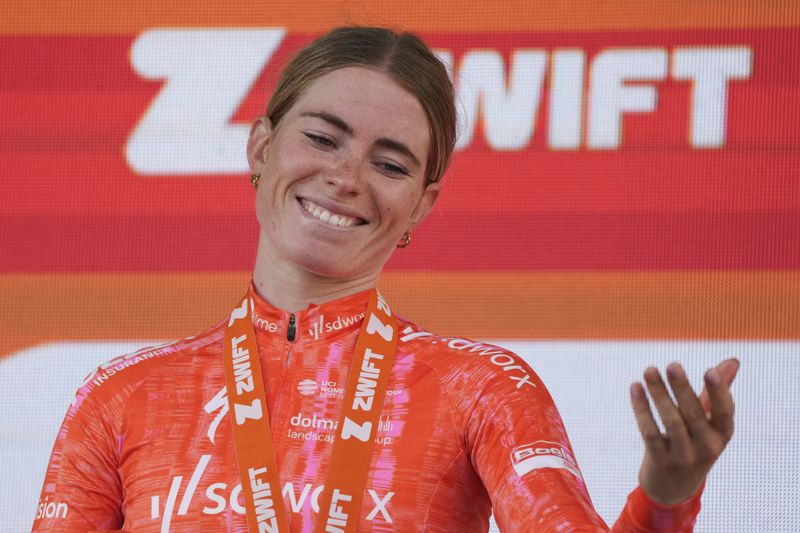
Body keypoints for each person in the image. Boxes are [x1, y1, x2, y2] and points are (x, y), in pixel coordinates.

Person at [32, 27, 738, 532]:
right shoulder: (122, 395)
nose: (346, 177)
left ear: (420, 205)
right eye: (322, 136)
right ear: (260, 145)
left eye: (392, 163)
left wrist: (665, 498)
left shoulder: (484, 386)